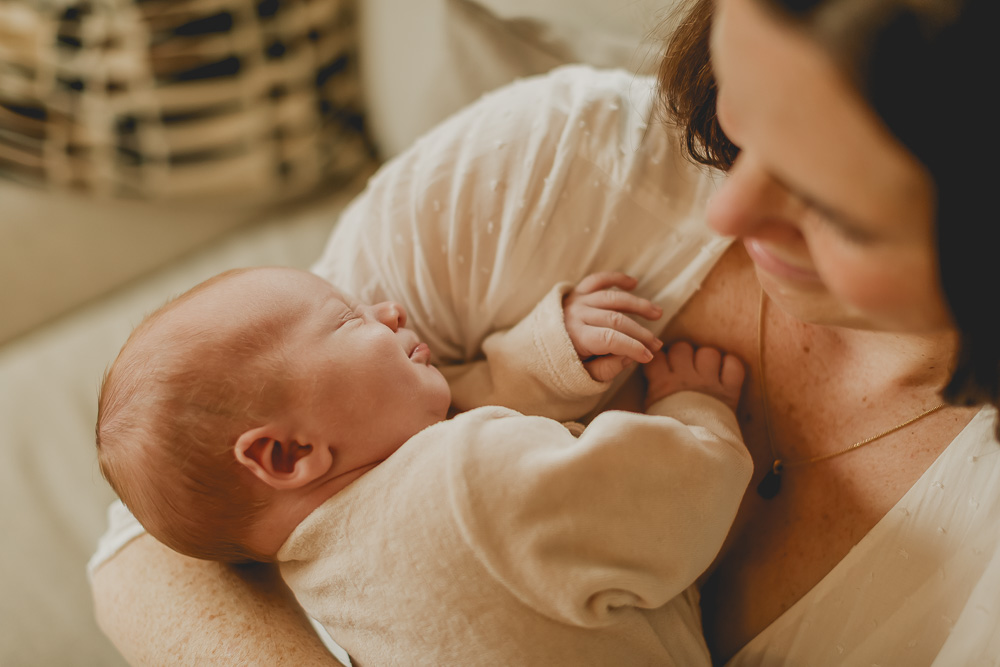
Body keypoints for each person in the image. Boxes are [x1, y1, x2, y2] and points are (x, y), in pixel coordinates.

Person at [90, 0, 1000, 663]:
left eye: (833, 202)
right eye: (743, 118)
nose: (728, 205)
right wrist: (692, 410)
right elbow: (143, 544)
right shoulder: (547, 164)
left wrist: (526, 367)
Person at [97, 265, 751, 666]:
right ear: (289, 453)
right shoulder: (467, 479)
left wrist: (552, 351)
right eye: (351, 320)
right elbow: (677, 500)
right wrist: (694, 407)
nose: (391, 310)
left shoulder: (320, 584)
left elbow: (443, 408)